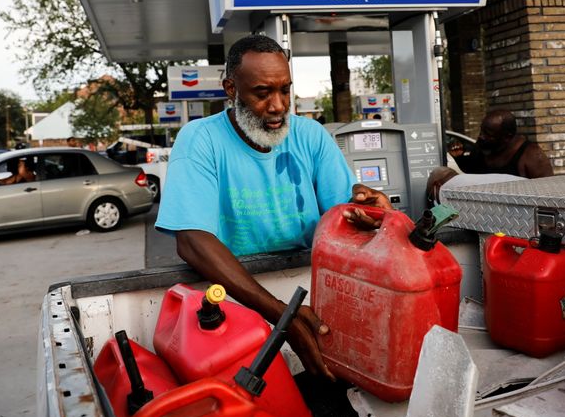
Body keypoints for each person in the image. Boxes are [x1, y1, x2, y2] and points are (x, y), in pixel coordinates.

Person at [155, 34, 391, 381]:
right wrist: (283, 316)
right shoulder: (200, 140)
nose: (279, 105)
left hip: (307, 291)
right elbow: (192, 239)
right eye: (263, 93)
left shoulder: (311, 136)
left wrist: (370, 213)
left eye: (285, 90)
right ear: (231, 89)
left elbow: (343, 218)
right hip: (236, 301)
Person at [428, 109, 553, 202]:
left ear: (507, 137)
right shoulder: (482, 146)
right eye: (481, 131)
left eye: (488, 134)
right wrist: (459, 157)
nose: (481, 136)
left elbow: (548, 193)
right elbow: (472, 172)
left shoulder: (531, 155)